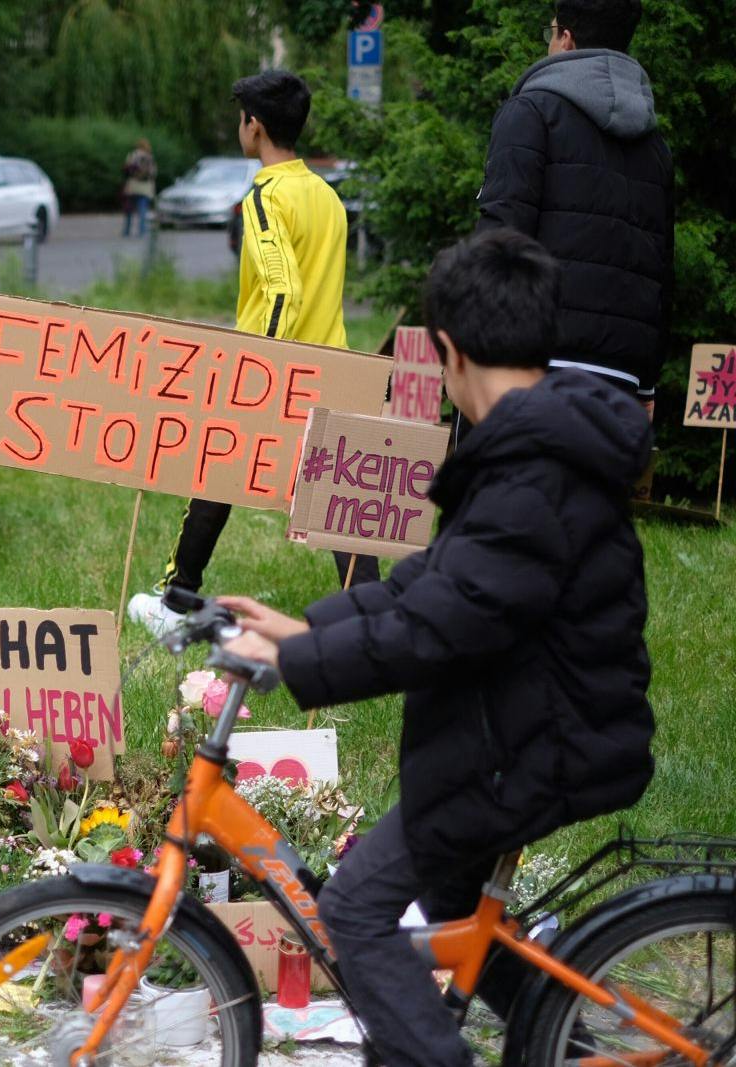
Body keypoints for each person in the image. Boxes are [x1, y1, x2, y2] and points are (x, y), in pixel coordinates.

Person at [218, 229, 655, 1067]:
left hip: (534, 745)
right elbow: (442, 581)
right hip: (532, 722)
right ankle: (561, 1047)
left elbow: (440, 628)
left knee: (352, 908)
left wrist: (300, 664)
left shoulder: (531, 470)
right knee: (457, 908)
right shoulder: (533, 447)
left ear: (449, 352)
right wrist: (310, 627)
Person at [128, 70, 375, 637]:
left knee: (218, 474)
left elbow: (283, 288)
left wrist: (260, 368)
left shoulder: (264, 197)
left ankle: (175, 602)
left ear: (254, 126)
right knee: (338, 504)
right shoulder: (327, 196)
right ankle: (372, 618)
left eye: (241, 118)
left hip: (279, 371)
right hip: (333, 367)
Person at [476, 0, 673, 405]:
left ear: (566, 39)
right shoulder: (654, 146)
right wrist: (648, 383)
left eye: (551, 33)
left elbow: (502, 236)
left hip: (536, 364)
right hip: (623, 378)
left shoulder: (531, 113)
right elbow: (662, 266)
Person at [121, 138, 156, 238]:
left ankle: (126, 231)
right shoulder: (149, 157)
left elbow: (126, 170)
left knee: (128, 210)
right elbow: (153, 172)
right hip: (145, 187)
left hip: (132, 185)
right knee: (142, 210)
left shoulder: (132, 155)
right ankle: (142, 231)